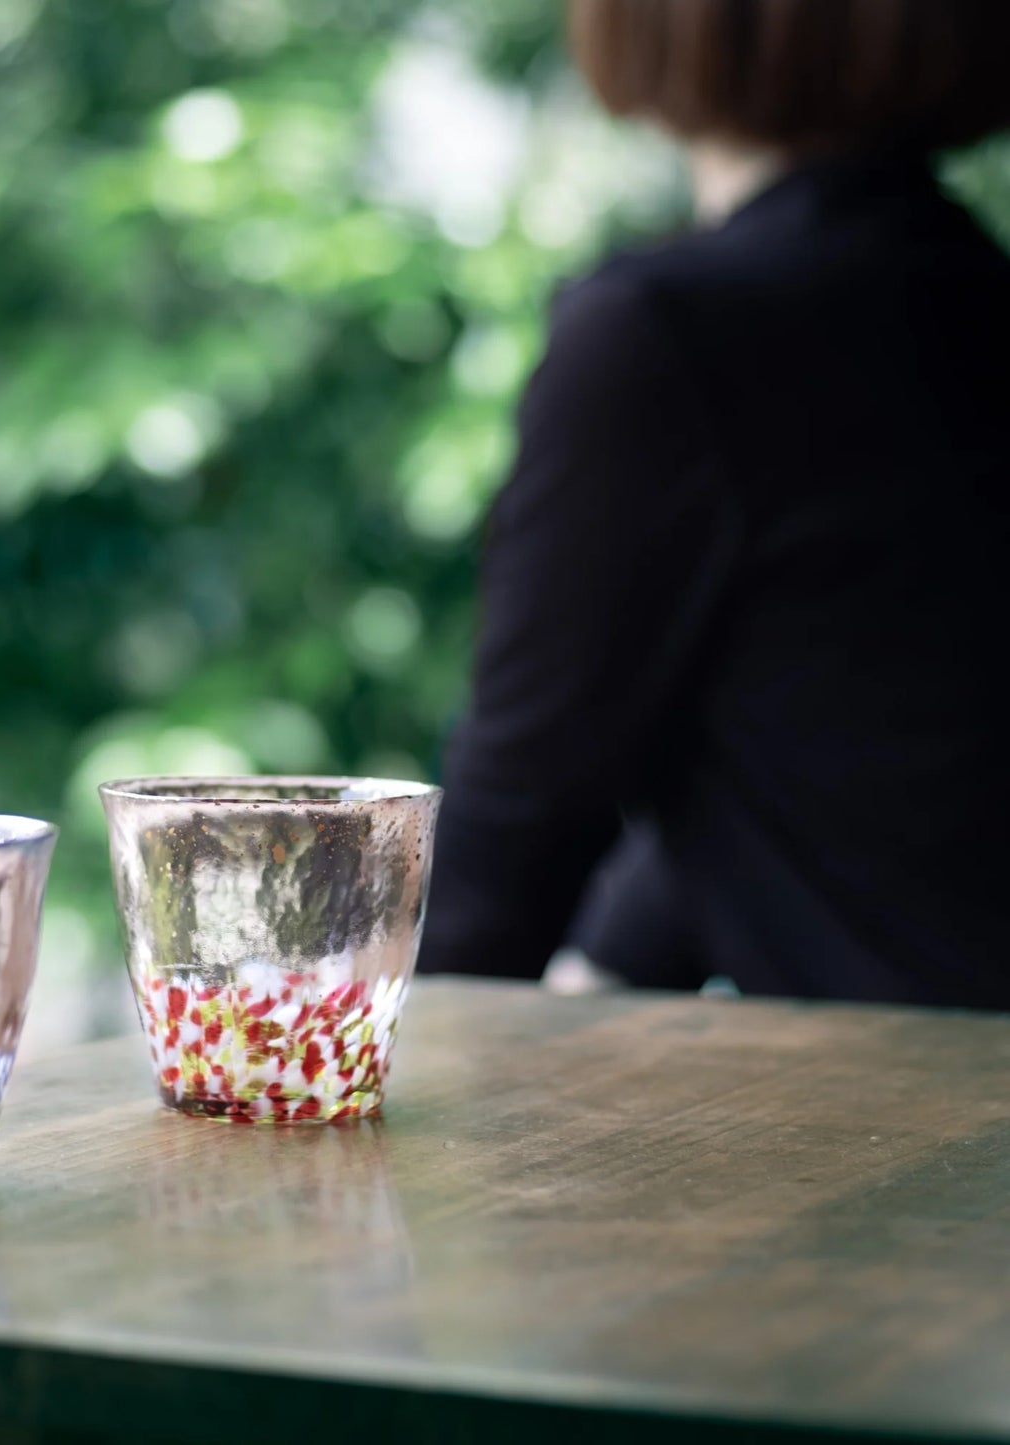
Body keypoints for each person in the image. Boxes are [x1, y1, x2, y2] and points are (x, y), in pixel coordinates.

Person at [417, 0, 1010, 1008]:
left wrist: (341, 1066)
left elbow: (515, 823)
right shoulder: (967, 300)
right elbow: (835, 748)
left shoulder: (670, 333)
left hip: (930, 1097)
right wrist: (609, 957)